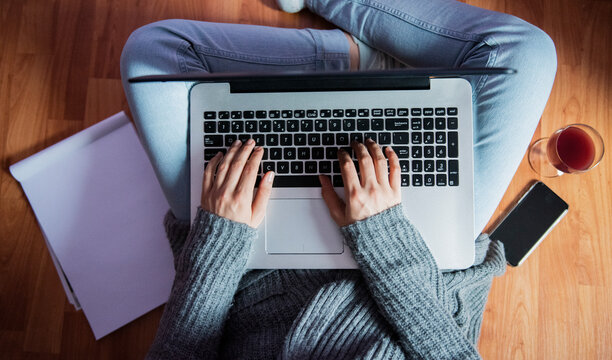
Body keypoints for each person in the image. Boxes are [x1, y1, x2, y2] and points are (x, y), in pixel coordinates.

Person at [120, 0, 557, 358]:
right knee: (525, 54)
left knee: (152, 54)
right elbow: (447, 349)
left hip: (247, 275)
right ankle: (366, 64)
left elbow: (182, 350)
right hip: (419, 260)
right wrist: (384, 234)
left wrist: (220, 239)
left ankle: (350, 61)